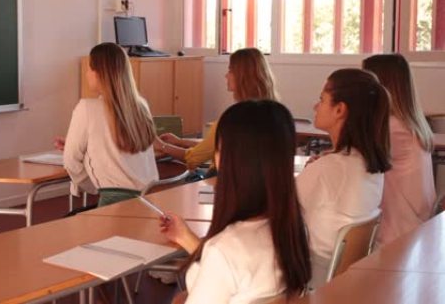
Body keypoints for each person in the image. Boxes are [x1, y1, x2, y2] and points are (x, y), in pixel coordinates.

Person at [160, 100, 310, 304]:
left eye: (219, 149)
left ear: (236, 162)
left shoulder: (223, 251)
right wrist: (185, 237)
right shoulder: (293, 229)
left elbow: (226, 259)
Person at [296, 68, 391, 289]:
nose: (315, 106)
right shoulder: (371, 165)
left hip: (315, 275)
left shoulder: (329, 168)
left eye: (321, 100)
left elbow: (276, 203)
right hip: (349, 279)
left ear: (339, 109)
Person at [58, 42, 158, 207]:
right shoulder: (141, 106)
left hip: (115, 201)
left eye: (89, 68)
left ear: (98, 73)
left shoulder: (86, 108)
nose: (87, 73)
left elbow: (71, 163)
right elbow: (119, 146)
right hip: (151, 200)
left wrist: (96, 187)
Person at [154, 48, 278, 170]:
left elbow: (192, 158)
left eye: (230, 70)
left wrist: (161, 146)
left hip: (225, 182)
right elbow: (216, 147)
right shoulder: (274, 113)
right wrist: (180, 142)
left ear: (242, 77)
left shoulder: (231, 119)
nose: (226, 75)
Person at [362, 54, 435, 247]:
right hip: (415, 225)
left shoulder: (392, 128)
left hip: (397, 233)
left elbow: (354, 161)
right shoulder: (410, 124)